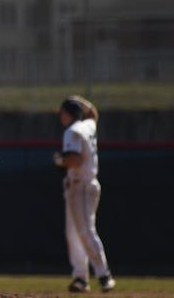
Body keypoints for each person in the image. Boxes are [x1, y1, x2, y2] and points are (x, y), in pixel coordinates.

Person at [53, 95, 116, 293]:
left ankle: (104, 274)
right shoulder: (88, 126)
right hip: (84, 185)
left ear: (68, 113)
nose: (60, 117)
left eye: (62, 113)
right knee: (73, 234)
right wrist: (80, 101)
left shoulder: (72, 131)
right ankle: (81, 278)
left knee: (85, 231)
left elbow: (75, 160)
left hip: (80, 186)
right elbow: (93, 114)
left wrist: (59, 160)